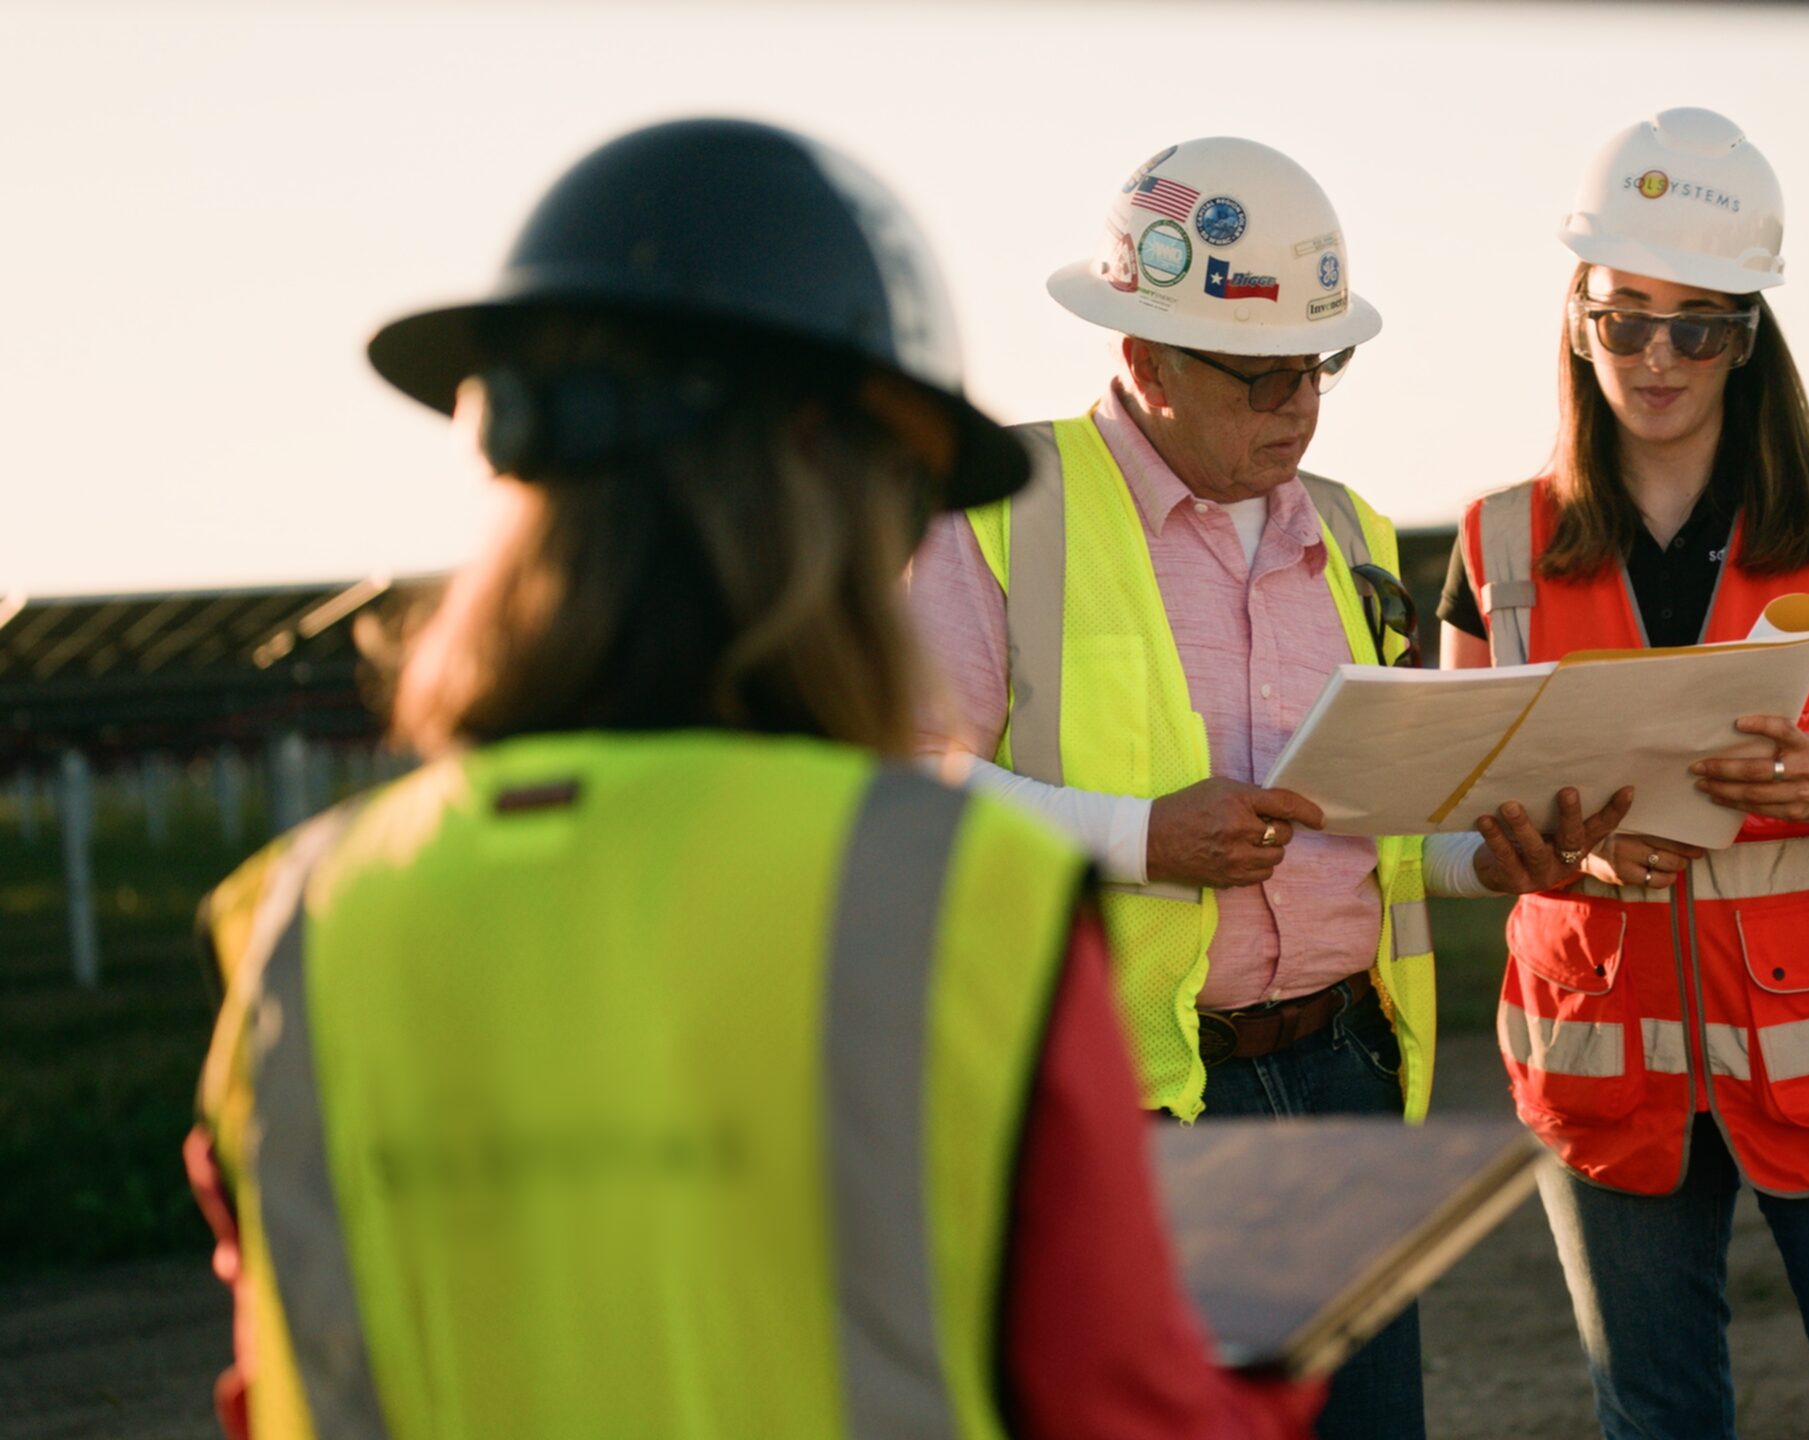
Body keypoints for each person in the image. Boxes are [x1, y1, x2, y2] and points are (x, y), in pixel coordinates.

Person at [184, 118, 1318, 1440]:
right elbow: (1126, 1415)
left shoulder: (296, 925)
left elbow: (275, 1383)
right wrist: (1276, 1363)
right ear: (852, 503)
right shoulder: (952, 906)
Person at [906, 135, 1620, 1440]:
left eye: (1321, 366)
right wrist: (1137, 837)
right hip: (1126, 1104)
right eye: (1262, 376)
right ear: (1145, 358)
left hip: (1349, 1071)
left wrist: (1491, 861)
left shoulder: (1347, 531)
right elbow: (901, 789)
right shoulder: (998, 511)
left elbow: (1370, 832)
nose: (1299, 407)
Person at [1438, 109, 1809, 1439]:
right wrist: (1560, 855)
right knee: (1655, 1421)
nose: (1659, 356)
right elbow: (1454, 835)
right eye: (1626, 319)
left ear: (1750, 335)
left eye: (1698, 326)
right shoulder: (1497, 544)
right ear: (1579, 318)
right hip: (1605, 1066)